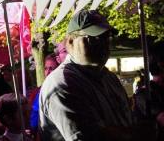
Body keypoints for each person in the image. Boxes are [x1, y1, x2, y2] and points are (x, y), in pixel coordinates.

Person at [39, 9, 148, 141]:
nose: (102, 44)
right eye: (93, 38)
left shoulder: (108, 77)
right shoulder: (62, 83)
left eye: (106, 37)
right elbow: (88, 136)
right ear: (70, 42)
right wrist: (135, 134)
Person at [29, 54, 58, 136]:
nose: (48, 72)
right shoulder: (36, 92)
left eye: (51, 69)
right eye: (46, 68)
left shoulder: (61, 90)